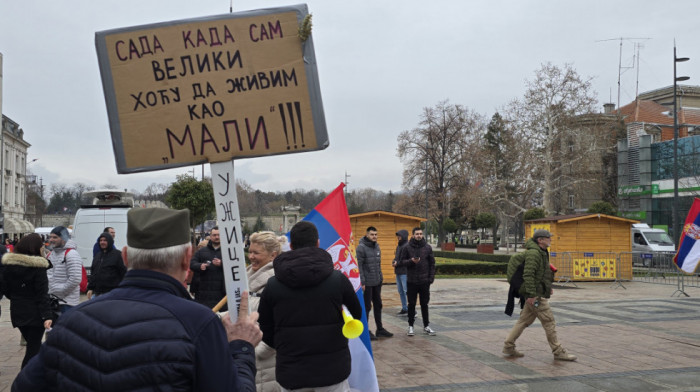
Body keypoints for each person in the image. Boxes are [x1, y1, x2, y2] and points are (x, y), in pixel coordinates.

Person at [12, 207, 263, 390]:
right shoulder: (199, 324)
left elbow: (24, 386)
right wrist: (240, 347)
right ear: (188, 258)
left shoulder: (73, 320)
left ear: (125, 257)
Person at [258, 221, 363, 391]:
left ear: (291, 246)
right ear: (318, 243)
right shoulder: (338, 279)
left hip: (292, 369)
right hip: (332, 369)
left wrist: (284, 346)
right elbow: (356, 314)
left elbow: (265, 327)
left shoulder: (272, 285)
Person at [503, 229, 577, 361]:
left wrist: (547, 289)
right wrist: (532, 295)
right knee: (549, 321)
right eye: (548, 238)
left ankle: (508, 346)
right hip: (535, 297)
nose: (551, 239)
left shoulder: (541, 252)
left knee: (523, 321)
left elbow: (541, 275)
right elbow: (529, 275)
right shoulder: (534, 254)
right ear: (540, 240)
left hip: (534, 294)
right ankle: (558, 351)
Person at [0, 234, 52, 368]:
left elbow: (5, 289)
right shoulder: (38, 267)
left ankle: (41, 375)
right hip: (35, 313)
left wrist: (18, 298)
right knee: (33, 350)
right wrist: (47, 315)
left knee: (34, 346)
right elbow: (42, 294)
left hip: (17, 311)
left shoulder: (9, 266)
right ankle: (26, 379)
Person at [247, 231, 282, 392]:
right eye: (250, 251)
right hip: (249, 356)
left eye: (256, 253)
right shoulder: (249, 275)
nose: (251, 256)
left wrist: (258, 351)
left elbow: (278, 323)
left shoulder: (276, 282)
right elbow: (247, 311)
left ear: (273, 255)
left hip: (266, 362)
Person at [397, 227, 437, 336]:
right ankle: (411, 326)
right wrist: (411, 261)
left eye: (420, 233)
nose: (419, 235)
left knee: (424, 304)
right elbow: (401, 262)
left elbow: (432, 264)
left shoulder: (427, 247)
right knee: (411, 304)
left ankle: (426, 326)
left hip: (424, 281)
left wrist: (431, 278)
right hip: (412, 281)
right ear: (413, 235)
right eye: (417, 234)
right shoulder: (407, 247)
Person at [356, 226, 393, 340]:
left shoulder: (377, 246)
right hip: (367, 283)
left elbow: (378, 264)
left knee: (378, 305)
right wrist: (362, 282)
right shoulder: (361, 248)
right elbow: (359, 266)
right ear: (367, 235)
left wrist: (380, 277)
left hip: (377, 282)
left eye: (376, 234)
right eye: (372, 234)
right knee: (367, 307)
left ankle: (380, 329)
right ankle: (365, 331)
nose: (374, 236)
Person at [46, 226, 82, 314]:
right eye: (50, 237)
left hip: (67, 303)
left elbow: (75, 278)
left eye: (55, 237)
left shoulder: (72, 254)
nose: (51, 240)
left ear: (63, 238)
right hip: (54, 300)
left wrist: (61, 291)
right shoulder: (51, 254)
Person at [189, 226, 226, 309]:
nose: (217, 237)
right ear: (210, 236)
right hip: (203, 292)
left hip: (222, 292)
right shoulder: (201, 251)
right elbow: (192, 264)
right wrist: (200, 266)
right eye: (214, 235)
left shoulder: (228, 251)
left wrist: (222, 263)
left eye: (219, 235)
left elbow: (235, 266)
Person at [86, 232, 126, 299]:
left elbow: (124, 273)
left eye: (105, 240)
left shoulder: (118, 255)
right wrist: (90, 288)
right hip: (97, 294)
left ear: (109, 241)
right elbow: (94, 273)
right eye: (101, 240)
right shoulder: (98, 256)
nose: (102, 242)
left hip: (112, 294)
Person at [392, 230, 409, 316]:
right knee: (401, 291)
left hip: (405, 272)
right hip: (398, 272)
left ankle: (412, 309)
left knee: (406, 291)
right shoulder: (399, 246)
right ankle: (404, 308)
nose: (398, 237)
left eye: (399, 235)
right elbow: (397, 257)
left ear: (404, 236)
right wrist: (394, 261)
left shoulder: (407, 246)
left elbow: (408, 260)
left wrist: (397, 263)